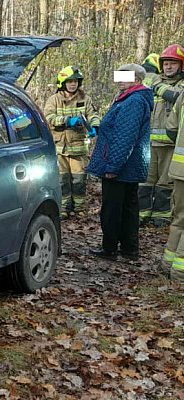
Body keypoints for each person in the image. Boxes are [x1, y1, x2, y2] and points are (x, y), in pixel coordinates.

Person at [86, 64, 154, 261]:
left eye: (125, 76)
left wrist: (113, 167)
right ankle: (128, 249)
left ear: (137, 80)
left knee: (113, 209)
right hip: (129, 164)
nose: (120, 80)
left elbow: (125, 137)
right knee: (127, 207)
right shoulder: (130, 98)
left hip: (122, 166)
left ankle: (110, 249)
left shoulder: (134, 101)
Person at [43, 66, 101, 218]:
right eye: (69, 81)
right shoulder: (54, 100)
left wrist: (95, 126)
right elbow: (48, 118)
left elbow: (93, 115)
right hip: (59, 148)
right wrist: (67, 121)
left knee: (79, 180)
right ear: (62, 83)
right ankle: (63, 208)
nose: (73, 84)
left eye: (75, 81)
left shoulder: (85, 99)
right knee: (62, 180)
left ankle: (79, 208)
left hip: (78, 148)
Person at [138, 44, 184, 226]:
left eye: (173, 63)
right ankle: (142, 215)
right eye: (165, 63)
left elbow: (176, 96)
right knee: (145, 182)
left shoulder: (179, 85)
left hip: (170, 145)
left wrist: (156, 84)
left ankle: (161, 217)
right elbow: (123, 79)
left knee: (165, 184)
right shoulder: (151, 81)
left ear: (181, 66)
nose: (169, 67)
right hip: (148, 144)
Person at [162, 80, 184, 281]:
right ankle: (180, 272)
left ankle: (168, 263)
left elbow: (171, 128)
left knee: (179, 219)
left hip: (179, 169)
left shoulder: (182, 96)